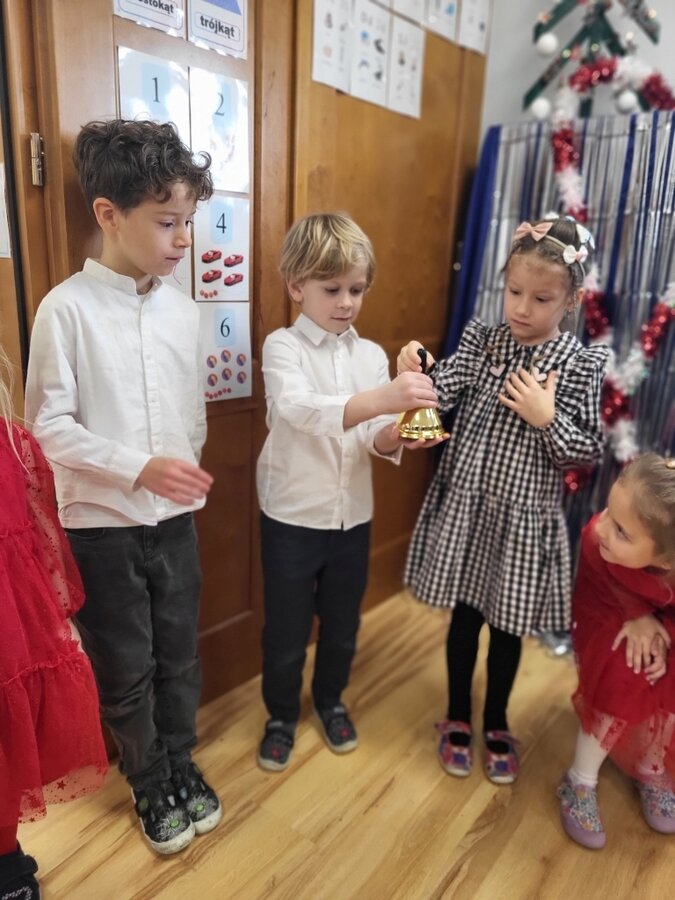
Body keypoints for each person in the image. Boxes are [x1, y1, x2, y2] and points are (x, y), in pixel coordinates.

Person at [24, 119, 220, 856]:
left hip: (175, 522)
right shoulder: (65, 309)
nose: (183, 240)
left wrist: (180, 468)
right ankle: (148, 779)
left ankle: (181, 760)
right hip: (101, 528)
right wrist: (137, 466)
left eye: (188, 222)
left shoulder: (183, 309)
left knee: (180, 654)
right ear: (109, 214)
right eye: (167, 222)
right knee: (126, 663)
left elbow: (192, 410)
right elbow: (47, 428)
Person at [397, 216, 609, 784]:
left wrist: (546, 418)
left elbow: (587, 451)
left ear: (570, 300)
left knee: (507, 630)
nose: (521, 308)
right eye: (514, 292)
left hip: (522, 524)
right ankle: (456, 716)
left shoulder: (578, 364)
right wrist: (417, 369)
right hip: (469, 510)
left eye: (541, 299)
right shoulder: (484, 342)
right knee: (465, 619)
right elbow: (439, 394)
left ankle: (495, 721)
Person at [256, 212, 445, 771]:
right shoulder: (283, 346)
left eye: (356, 290)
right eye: (332, 289)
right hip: (292, 516)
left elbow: (370, 436)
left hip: (351, 518)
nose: (346, 302)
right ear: (297, 286)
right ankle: (280, 716)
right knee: (287, 631)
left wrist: (398, 432)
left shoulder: (369, 356)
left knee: (342, 626)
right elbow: (298, 410)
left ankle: (331, 701)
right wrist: (385, 400)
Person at [0, 345, 107, 900]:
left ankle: (3, 853)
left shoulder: (14, 446)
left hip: (11, 635)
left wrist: (54, 619)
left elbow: (42, 543)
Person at [558, 454, 675, 849]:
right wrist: (637, 615)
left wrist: (663, 635)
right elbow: (597, 571)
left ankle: (651, 765)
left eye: (621, 531)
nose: (602, 527)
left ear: (665, 559)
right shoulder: (599, 538)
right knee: (625, 669)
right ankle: (579, 779)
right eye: (608, 511)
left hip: (666, 626)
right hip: (609, 613)